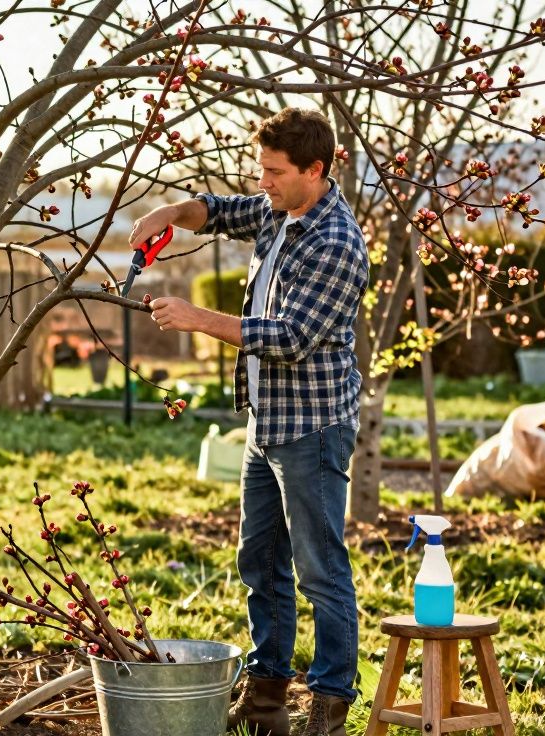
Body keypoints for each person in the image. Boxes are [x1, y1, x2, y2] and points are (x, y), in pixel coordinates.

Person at [129, 107, 369, 736]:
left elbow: (291, 337)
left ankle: (330, 704)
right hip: (268, 422)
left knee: (319, 567)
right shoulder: (280, 209)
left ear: (315, 171)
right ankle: (267, 701)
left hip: (312, 427)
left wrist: (196, 318)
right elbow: (218, 210)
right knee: (259, 560)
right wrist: (170, 212)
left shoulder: (336, 242)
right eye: (260, 169)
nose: (262, 181)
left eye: (274, 171)